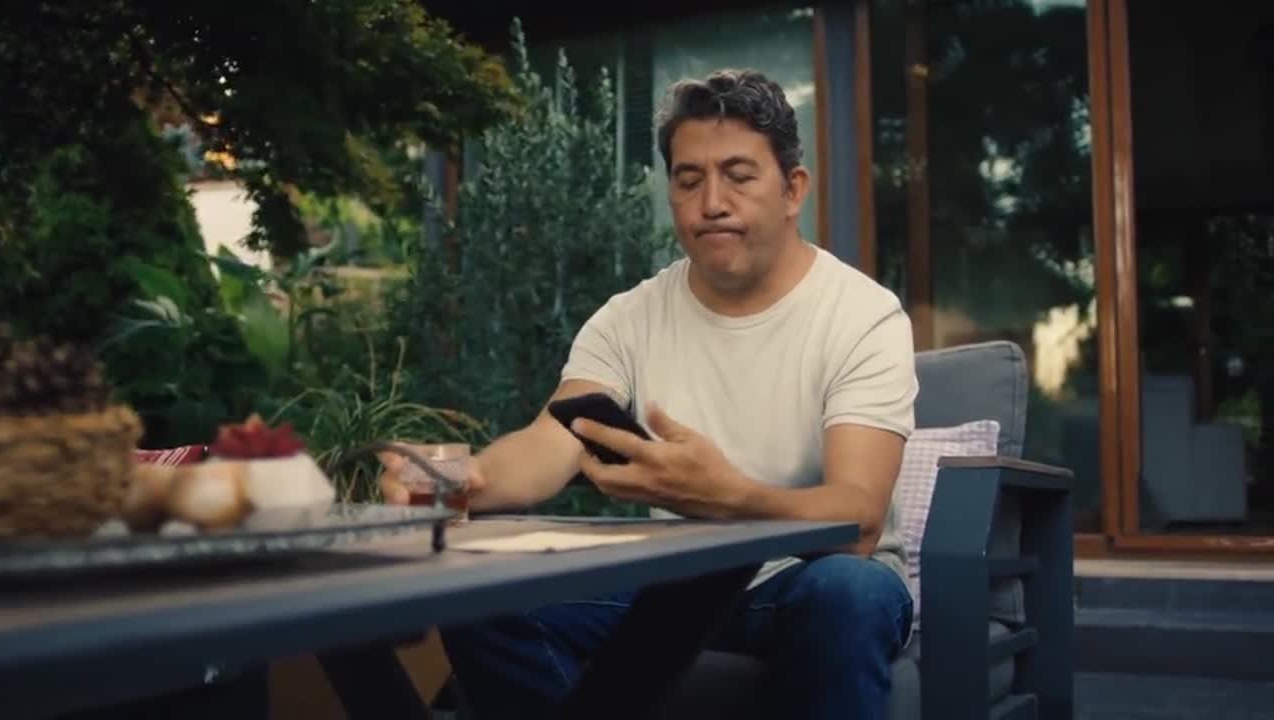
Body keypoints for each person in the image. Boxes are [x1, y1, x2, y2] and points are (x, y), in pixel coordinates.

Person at [382, 68, 919, 719]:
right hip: (677, 588)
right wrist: (463, 478)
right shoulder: (629, 318)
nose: (712, 202)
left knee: (850, 592)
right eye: (689, 180)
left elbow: (857, 521)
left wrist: (729, 497)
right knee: (484, 598)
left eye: (739, 176)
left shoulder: (861, 315)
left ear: (792, 190)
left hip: (806, 581)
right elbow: (552, 440)